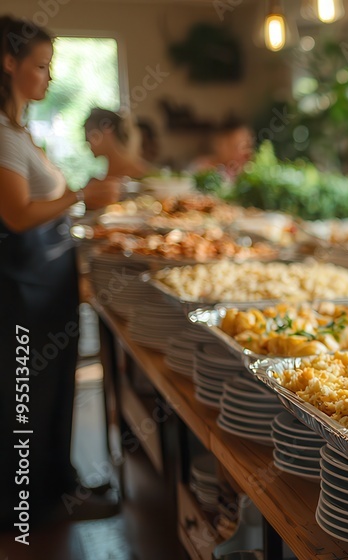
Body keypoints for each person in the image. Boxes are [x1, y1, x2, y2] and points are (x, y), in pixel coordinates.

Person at [0, 15, 121, 526]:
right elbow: (17, 213)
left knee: (49, 394)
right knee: (28, 399)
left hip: (44, 286)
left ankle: (57, 491)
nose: (49, 77)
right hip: (24, 290)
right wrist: (81, 194)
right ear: (8, 64)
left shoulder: (17, 130)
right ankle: (27, 510)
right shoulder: (3, 135)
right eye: (41, 66)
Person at [84, 107, 149, 180]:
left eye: (92, 134)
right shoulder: (104, 180)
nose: (87, 142)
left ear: (107, 129)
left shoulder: (139, 174)